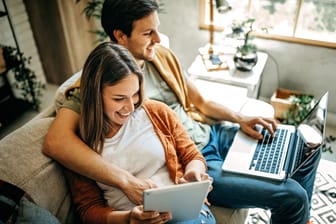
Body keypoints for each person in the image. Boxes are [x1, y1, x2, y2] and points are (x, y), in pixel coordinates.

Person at [43, 1, 320, 223]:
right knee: (292, 196)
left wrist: (239, 118)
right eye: (147, 33)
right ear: (120, 36)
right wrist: (127, 183)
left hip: (211, 134)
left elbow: (198, 101)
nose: (158, 38)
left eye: (157, 29)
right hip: (201, 160)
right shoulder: (92, 91)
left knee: (304, 144)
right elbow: (57, 141)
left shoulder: (159, 57)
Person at [65, 41, 215, 223]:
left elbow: (192, 155)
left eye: (135, 94)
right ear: (95, 94)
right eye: (119, 98)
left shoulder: (157, 112)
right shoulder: (78, 146)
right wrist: (128, 218)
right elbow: (88, 209)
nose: (130, 107)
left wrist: (194, 171)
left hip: (182, 213)